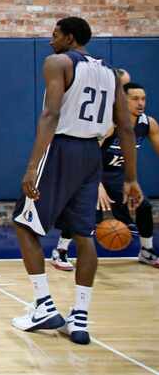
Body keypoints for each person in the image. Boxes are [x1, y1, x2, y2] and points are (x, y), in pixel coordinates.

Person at [12, 17, 143, 345]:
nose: (50, 40)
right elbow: (125, 127)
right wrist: (131, 178)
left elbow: (51, 115)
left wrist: (32, 166)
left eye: (55, 34)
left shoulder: (57, 62)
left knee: (24, 224)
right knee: (84, 235)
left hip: (61, 148)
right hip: (91, 155)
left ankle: (43, 305)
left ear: (69, 38)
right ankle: (80, 318)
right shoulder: (111, 74)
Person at [50, 82, 158, 270]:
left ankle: (146, 251)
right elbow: (87, 155)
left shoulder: (148, 124)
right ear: (122, 101)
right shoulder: (109, 124)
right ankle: (60, 251)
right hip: (90, 173)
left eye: (143, 99)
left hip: (118, 176)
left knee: (144, 206)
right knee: (85, 210)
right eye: (135, 99)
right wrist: (97, 185)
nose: (140, 103)